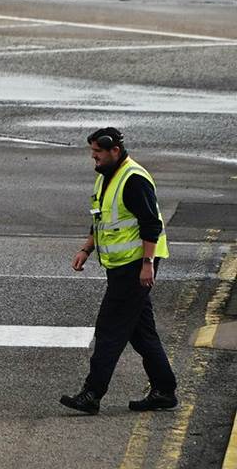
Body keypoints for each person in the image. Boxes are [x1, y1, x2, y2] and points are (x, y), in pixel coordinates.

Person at [60, 128, 177, 415]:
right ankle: (164, 389)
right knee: (141, 331)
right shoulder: (107, 177)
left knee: (109, 329)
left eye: (97, 153)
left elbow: (151, 224)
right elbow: (100, 221)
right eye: (92, 153)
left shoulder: (133, 179)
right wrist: (86, 249)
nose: (94, 159)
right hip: (122, 267)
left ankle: (92, 394)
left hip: (135, 266)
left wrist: (147, 264)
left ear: (114, 150)